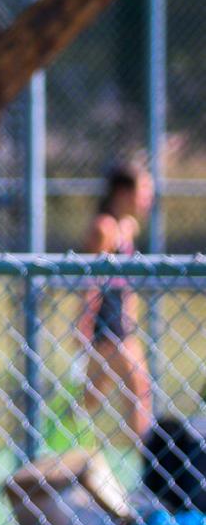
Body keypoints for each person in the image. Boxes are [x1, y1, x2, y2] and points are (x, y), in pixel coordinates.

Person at [79, 162, 154, 445]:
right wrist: (84, 324)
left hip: (122, 322)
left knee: (91, 396)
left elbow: (127, 284)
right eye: (143, 191)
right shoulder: (104, 228)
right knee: (138, 390)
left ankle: (54, 440)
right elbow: (91, 282)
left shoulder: (128, 226)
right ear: (124, 192)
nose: (148, 199)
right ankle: (150, 473)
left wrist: (132, 318)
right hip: (106, 322)